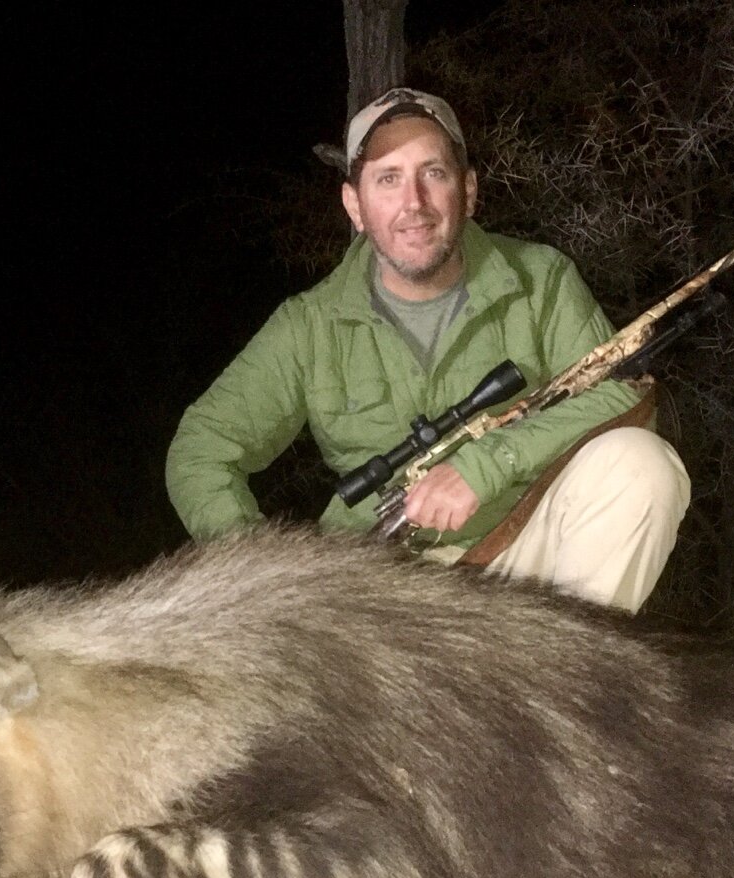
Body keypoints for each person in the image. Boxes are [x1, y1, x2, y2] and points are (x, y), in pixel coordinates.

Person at [166, 88, 690, 612]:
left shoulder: (541, 279)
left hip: (525, 557)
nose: (413, 202)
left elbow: (620, 396)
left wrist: (486, 466)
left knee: (641, 464)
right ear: (355, 205)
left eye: (433, 173)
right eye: (388, 178)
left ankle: (574, 681)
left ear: (468, 189)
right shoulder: (307, 326)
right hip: (382, 593)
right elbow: (201, 449)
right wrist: (267, 573)